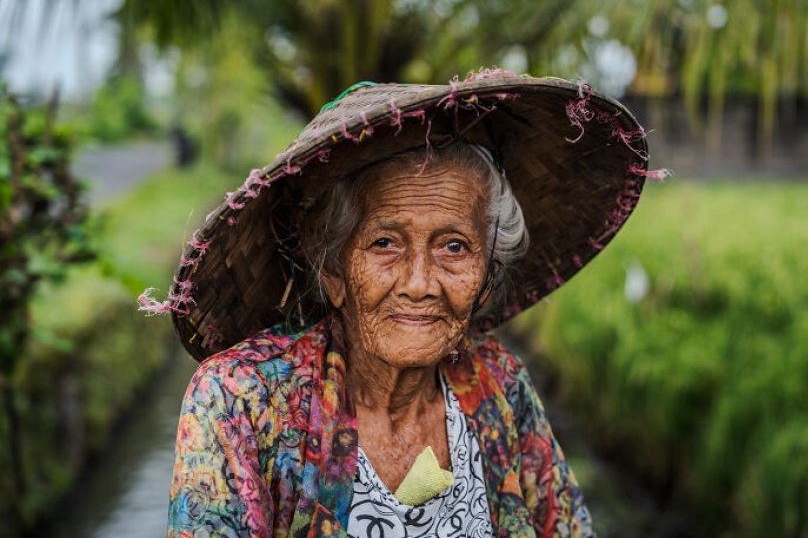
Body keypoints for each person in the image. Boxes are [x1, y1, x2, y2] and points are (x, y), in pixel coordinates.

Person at [141, 69, 656, 537]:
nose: (419, 283)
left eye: (454, 246)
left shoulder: (500, 387)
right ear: (334, 269)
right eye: (385, 243)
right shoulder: (239, 402)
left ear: (487, 270)